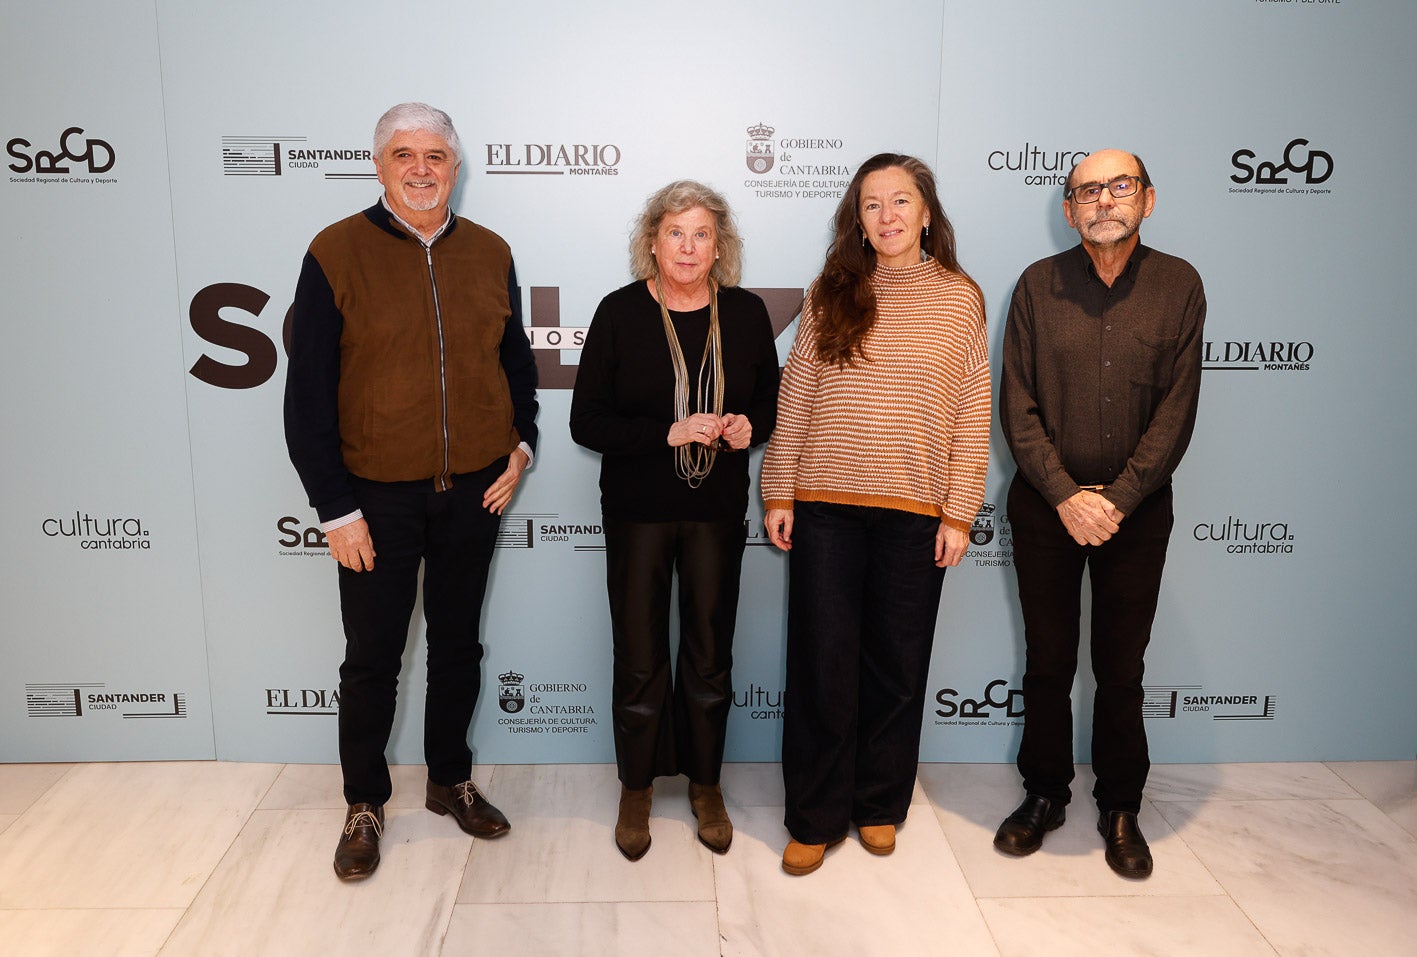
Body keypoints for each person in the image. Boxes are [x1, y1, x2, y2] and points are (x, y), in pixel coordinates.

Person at [284, 102, 538, 881]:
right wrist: (336, 507)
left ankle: (448, 780)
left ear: (455, 167)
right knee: (372, 658)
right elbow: (306, 398)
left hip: (473, 492)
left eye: (435, 155)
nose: (421, 168)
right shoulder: (335, 251)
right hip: (374, 498)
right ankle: (364, 801)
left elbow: (516, 361)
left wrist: (520, 442)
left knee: (458, 645)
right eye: (403, 154)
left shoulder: (491, 251)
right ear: (379, 165)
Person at [761, 153, 990, 876]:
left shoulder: (959, 298)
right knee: (821, 666)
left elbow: (972, 411)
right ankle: (814, 814)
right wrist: (777, 488)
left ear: (927, 211)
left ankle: (877, 803)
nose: (885, 216)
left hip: (914, 512)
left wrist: (958, 510)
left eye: (900, 200)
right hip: (825, 507)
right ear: (854, 218)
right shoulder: (830, 293)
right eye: (870, 204)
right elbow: (795, 396)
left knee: (895, 666)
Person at [995, 149, 1204, 879]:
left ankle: (1119, 806)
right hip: (1044, 503)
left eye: (1118, 186)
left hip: (1135, 511)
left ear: (1147, 198)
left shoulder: (1179, 285)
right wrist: (1063, 494)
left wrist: (1113, 499)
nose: (1102, 200)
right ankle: (1044, 794)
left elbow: (1176, 412)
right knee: (1048, 663)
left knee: (1119, 670)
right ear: (1068, 209)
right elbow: (1015, 407)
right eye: (1087, 190)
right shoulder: (1034, 286)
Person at [570, 181, 779, 861]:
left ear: (719, 245)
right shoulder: (619, 312)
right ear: (651, 242)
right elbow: (586, 421)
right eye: (675, 233)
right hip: (637, 512)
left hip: (715, 511)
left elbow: (770, 409)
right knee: (638, 654)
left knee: (709, 655)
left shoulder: (745, 314)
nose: (688, 247)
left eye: (701, 234)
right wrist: (666, 431)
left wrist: (749, 425)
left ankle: (706, 782)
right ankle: (635, 787)